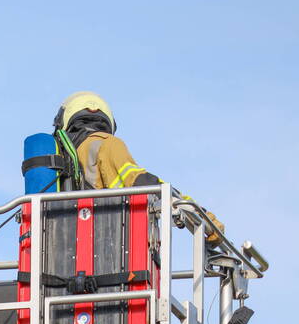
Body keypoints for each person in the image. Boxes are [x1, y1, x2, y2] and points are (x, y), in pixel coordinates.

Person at [53, 90, 224, 243]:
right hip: (106, 244)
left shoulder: (60, 157)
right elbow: (140, 181)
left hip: (67, 242)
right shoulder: (106, 144)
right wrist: (201, 217)